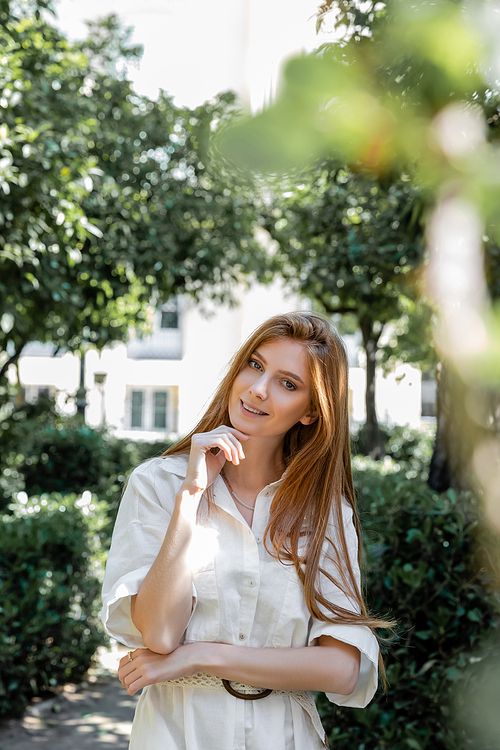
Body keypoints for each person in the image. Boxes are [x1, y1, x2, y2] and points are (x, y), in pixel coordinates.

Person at [101, 311, 388, 750]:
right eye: (254, 365)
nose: (257, 388)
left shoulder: (325, 511)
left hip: (284, 736)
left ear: (312, 411)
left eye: (287, 383)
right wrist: (192, 494)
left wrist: (201, 655)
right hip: (177, 733)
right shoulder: (157, 483)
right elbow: (158, 634)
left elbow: (341, 667)